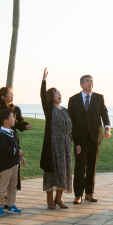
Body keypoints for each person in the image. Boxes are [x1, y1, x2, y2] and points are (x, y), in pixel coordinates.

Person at [67, 75, 111, 204]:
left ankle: (90, 193)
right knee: (80, 166)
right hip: (79, 138)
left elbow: (104, 113)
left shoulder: (99, 98)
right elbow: (70, 120)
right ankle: (78, 195)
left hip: (95, 137)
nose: (90, 83)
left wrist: (107, 128)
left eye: (91, 81)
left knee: (92, 165)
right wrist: (73, 139)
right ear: (81, 84)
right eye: (87, 81)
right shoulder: (73, 99)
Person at [0, 86, 31, 209]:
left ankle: (9, 200)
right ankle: (0, 197)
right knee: (2, 170)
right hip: (1, 141)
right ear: (2, 96)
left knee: (13, 172)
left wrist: (25, 126)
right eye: (9, 93)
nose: (12, 95)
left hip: (13, 139)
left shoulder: (16, 109)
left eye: (12, 93)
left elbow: (19, 123)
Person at [40, 68, 73, 209]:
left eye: (59, 92)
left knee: (64, 172)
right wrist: (43, 82)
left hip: (65, 146)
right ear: (50, 96)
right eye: (56, 93)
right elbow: (42, 96)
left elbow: (70, 128)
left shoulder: (64, 110)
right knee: (51, 172)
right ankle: (49, 200)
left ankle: (58, 198)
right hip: (53, 145)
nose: (59, 94)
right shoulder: (49, 109)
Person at [0, 108, 25, 217]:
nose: (14, 119)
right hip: (5, 165)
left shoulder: (12, 132)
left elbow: (17, 146)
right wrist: (17, 151)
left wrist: (21, 156)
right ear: (5, 121)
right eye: (12, 117)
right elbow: (3, 149)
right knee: (3, 187)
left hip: (14, 163)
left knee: (13, 186)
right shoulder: (0, 134)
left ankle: (11, 205)